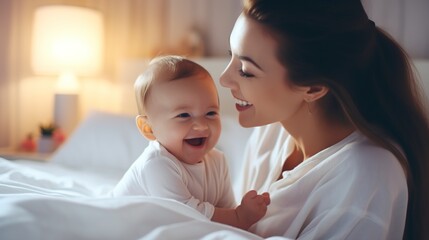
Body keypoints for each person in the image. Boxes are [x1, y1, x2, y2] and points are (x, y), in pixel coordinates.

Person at [220, 0, 429, 239]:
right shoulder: (273, 129)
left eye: (246, 71)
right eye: (231, 55)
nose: (224, 79)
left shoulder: (366, 179)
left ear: (313, 89)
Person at [111, 55, 270, 230]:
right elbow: (186, 216)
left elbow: (226, 213)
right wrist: (241, 216)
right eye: (184, 115)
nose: (202, 125)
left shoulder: (218, 161)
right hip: (117, 227)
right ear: (148, 128)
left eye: (211, 113)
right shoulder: (157, 164)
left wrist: (243, 212)